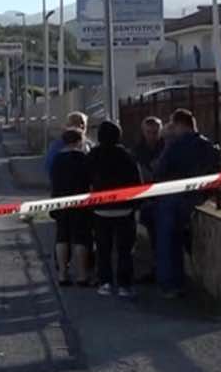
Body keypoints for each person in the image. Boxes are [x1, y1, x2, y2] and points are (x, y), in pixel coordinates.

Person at [153, 108, 221, 298]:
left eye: (173, 125)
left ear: (179, 125)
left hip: (173, 196)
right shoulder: (207, 145)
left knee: (168, 241)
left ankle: (171, 284)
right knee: (182, 239)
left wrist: (165, 141)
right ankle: (180, 281)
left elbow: (159, 170)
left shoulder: (174, 145)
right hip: (198, 197)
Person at [88, 120, 143, 298]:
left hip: (100, 209)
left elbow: (85, 178)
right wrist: (137, 205)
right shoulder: (127, 156)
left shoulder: (94, 154)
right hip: (124, 209)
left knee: (103, 248)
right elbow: (137, 182)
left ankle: (105, 282)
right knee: (124, 249)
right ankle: (124, 285)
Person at [49, 127, 93, 286]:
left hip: (60, 201)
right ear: (79, 141)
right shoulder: (83, 158)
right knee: (80, 238)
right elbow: (90, 180)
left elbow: (53, 180)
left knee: (62, 237)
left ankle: (62, 274)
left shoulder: (57, 160)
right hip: (80, 202)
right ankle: (82, 275)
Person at [132, 116, 166, 282]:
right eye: (149, 132)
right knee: (150, 237)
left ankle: (159, 269)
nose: (152, 135)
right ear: (143, 132)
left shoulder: (165, 147)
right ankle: (153, 268)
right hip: (146, 198)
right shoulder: (138, 150)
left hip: (164, 196)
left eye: (155, 132)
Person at [44, 112, 90, 181]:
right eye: (76, 122)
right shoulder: (57, 146)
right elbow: (51, 168)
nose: (81, 126)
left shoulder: (88, 144)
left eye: (83, 124)